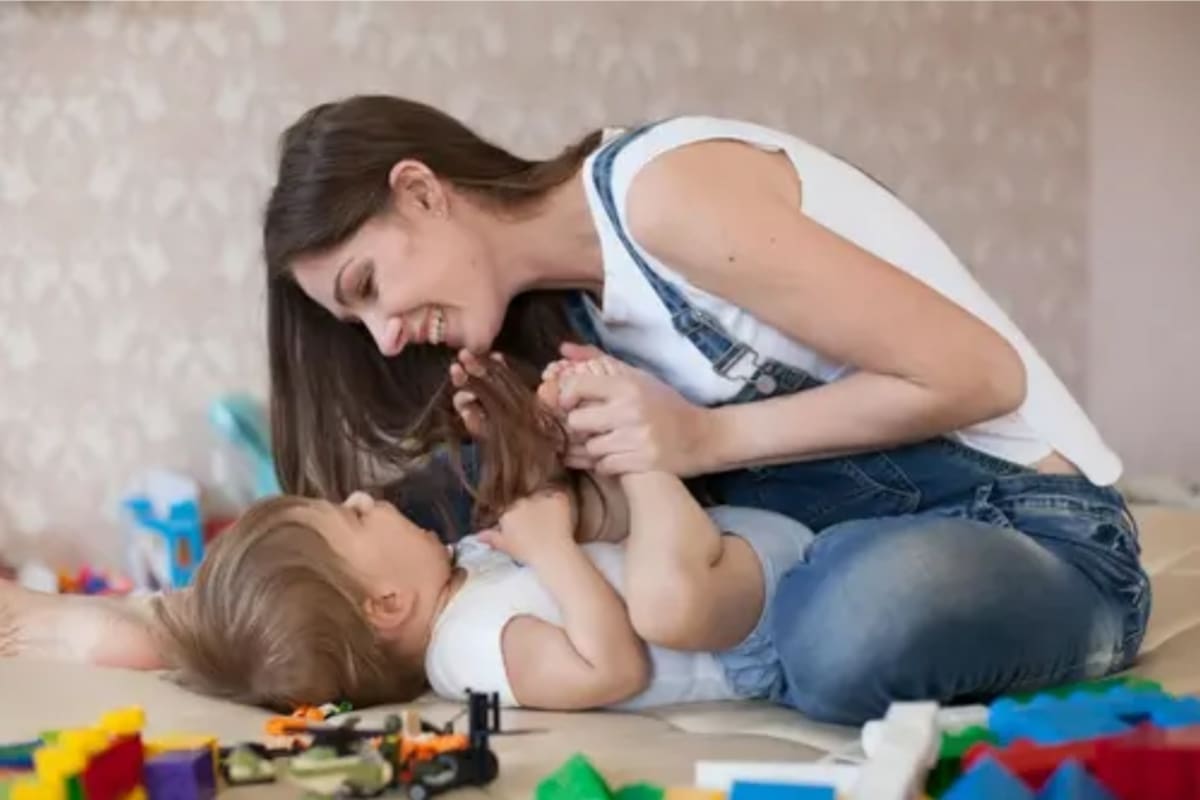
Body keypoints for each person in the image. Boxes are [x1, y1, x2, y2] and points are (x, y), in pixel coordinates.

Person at [3, 96, 1150, 725]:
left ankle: (163, 615)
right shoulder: (566, 313)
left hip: (1024, 520)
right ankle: (175, 617)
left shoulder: (662, 194)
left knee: (845, 631)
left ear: (419, 189)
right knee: (471, 490)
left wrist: (700, 441)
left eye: (368, 287)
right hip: (823, 530)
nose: (385, 335)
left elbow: (979, 374)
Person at [11, 358, 815, 715]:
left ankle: (152, 615)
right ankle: (642, 453)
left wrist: (517, 443)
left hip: (726, 562)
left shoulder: (459, 578)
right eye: (355, 517)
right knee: (652, 584)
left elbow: (569, 540)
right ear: (388, 604)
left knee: (586, 509)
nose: (367, 495)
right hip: (749, 629)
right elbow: (611, 668)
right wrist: (550, 550)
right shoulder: (469, 652)